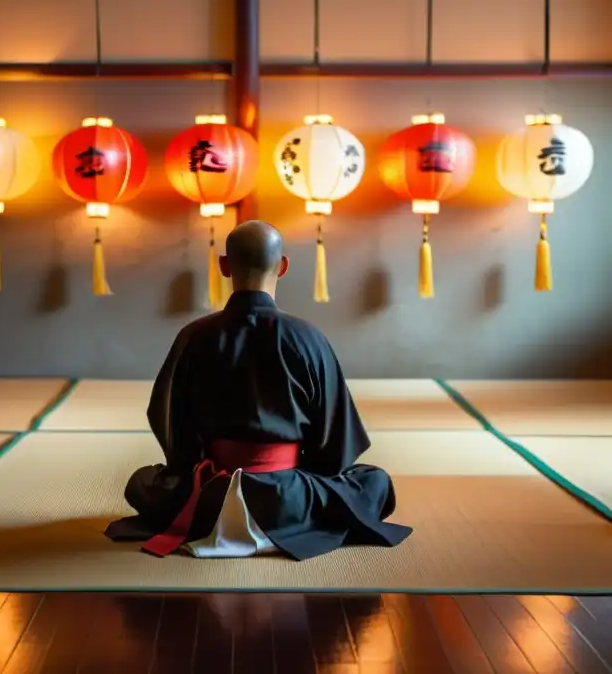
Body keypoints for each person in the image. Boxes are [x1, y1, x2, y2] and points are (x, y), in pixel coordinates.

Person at [105, 220, 412, 560]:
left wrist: (187, 468)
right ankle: (286, 524)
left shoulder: (193, 336)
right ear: (282, 267)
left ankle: (224, 516)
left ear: (224, 266)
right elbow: (333, 444)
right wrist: (305, 475)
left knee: (143, 482)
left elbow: (170, 424)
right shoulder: (308, 338)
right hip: (289, 499)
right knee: (373, 482)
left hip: (209, 496)